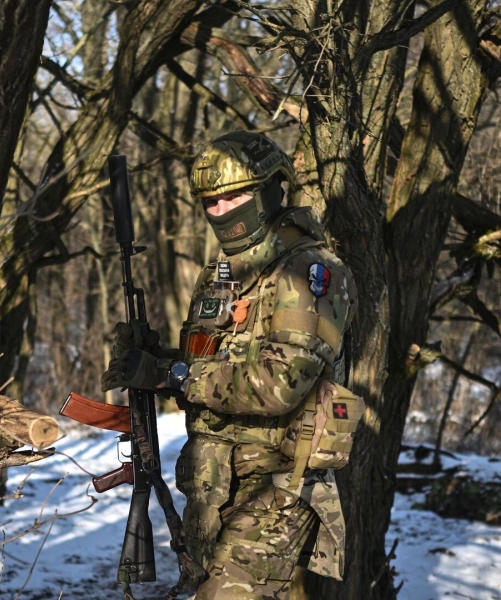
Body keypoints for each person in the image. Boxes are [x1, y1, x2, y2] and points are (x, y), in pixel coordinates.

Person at [101, 131, 357, 599]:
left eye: (235, 195)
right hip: (213, 484)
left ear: (272, 188)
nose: (222, 212)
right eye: (211, 201)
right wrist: (154, 362)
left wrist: (172, 374)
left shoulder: (311, 274)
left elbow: (279, 385)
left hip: (275, 484)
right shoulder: (222, 276)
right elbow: (210, 368)